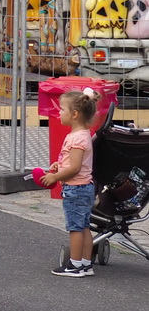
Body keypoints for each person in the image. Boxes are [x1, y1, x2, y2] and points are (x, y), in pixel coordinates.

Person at [36, 88, 98, 277]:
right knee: (84, 226)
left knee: (75, 228)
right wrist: (60, 164)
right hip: (85, 188)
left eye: (62, 110)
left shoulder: (76, 138)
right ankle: (86, 263)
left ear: (75, 114)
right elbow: (73, 163)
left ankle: (75, 265)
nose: (59, 113)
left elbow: (75, 168)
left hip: (75, 189)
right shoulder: (82, 134)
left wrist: (55, 177)